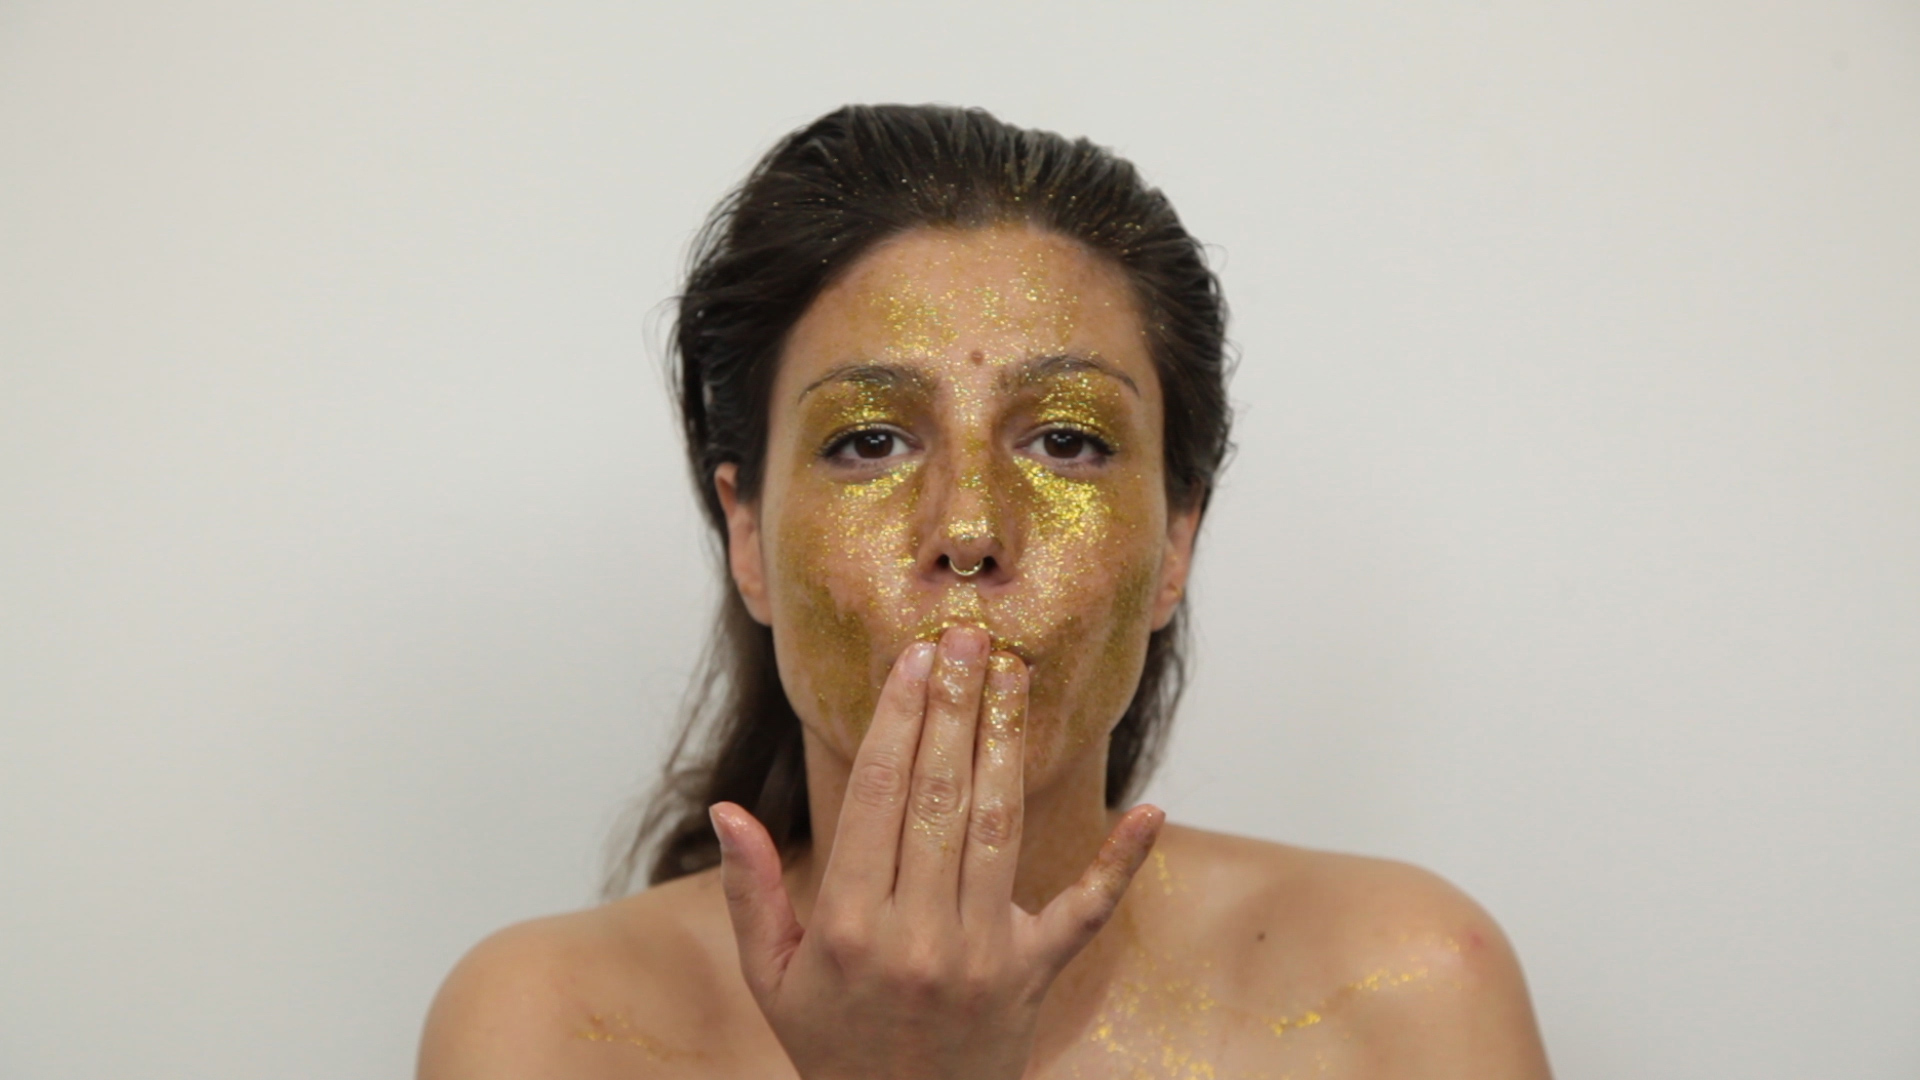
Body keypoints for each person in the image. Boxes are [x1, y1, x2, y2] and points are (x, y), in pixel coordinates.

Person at [417, 103, 1552, 1079]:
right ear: (746, 533)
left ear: (1176, 542)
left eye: (1067, 441)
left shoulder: (1405, 991)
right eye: (869, 441)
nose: (967, 529)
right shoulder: (552, 1029)